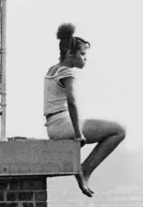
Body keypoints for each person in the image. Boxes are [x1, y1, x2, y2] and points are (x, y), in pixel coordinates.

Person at [44, 23, 126, 197]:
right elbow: (71, 101)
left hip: (55, 125)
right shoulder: (67, 72)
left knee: (115, 129)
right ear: (70, 54)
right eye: (82, 54)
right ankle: (85, 169)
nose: (85, 59)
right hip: (63, 125)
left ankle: (84, 169)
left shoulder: (53, 69)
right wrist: (78, 132)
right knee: (119, 131)